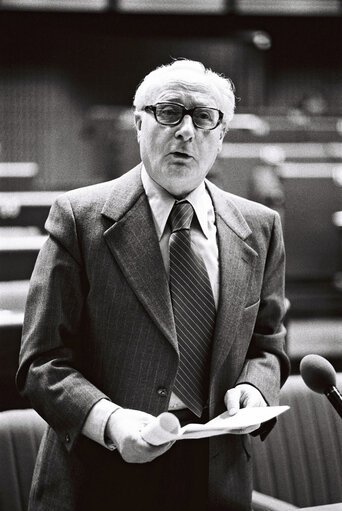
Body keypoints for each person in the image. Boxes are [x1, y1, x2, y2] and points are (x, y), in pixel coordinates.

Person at [17, 59, 290, 511]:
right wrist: (112, 422)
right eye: (169, 112)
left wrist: (256, 387)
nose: (186, 130)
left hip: (216, 477)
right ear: (140, 124)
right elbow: (42, 363)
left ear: (220, 137)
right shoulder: (78, 219)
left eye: (203, 117)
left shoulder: (261, 227)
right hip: (102, 475)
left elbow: (268, 342)